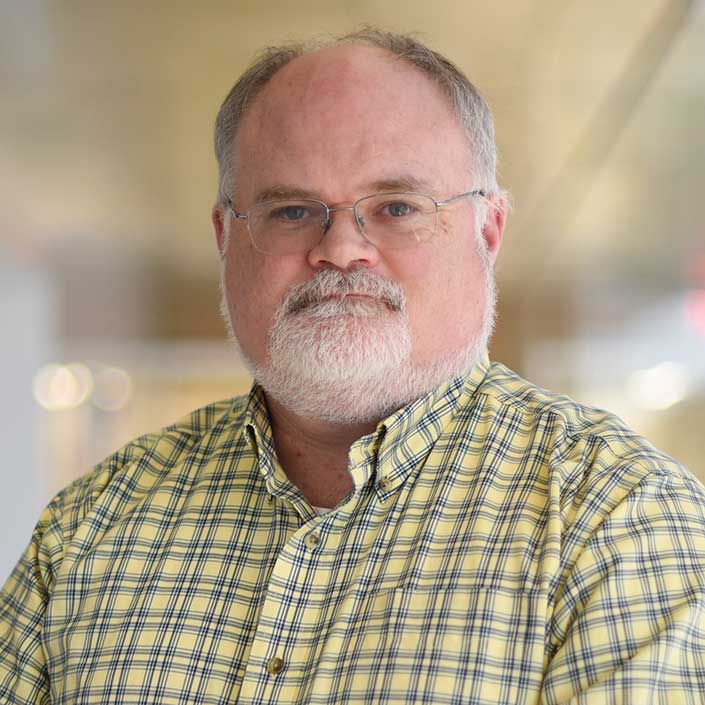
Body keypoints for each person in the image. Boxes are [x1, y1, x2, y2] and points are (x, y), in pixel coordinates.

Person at [2, 28, 704, 705]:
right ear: (225, 237)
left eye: (396, 206)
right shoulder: (91, 525)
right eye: (290, 210)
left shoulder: (619, 519)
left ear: (486, 231)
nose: (341, 248)